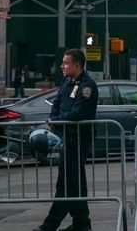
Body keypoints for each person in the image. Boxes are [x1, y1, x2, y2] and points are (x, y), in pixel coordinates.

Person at [34, 49, 99, 231]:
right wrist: (55, 120)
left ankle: (51, 224)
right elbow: (57, 103)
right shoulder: (66, 82)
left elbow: (79, 113)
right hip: (66, 137)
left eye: (66, 63)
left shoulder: (87, 86)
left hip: (78, 139)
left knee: (67, 182)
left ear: (77, 65)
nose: (62, 66)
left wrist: (57, 121)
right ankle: (82, 223)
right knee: (74, 181)